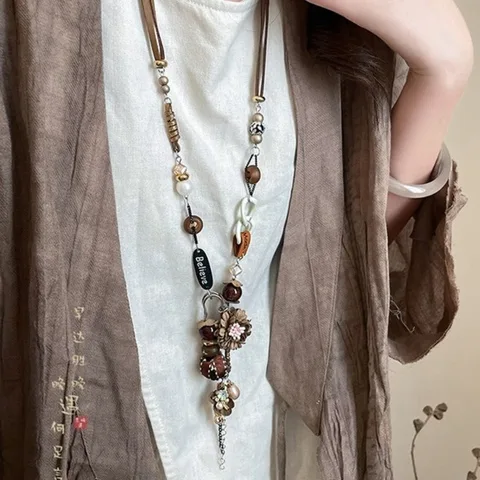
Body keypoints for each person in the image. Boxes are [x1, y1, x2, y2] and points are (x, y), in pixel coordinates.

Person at [0, 0, 473, 478]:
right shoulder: (45, 28)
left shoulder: (330, 19)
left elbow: (351, 269)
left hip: (258, 450)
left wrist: (443, 68)